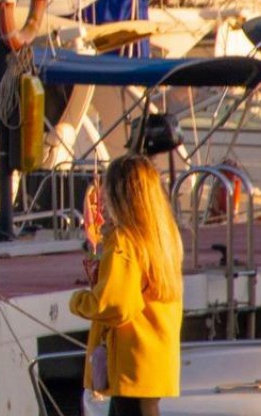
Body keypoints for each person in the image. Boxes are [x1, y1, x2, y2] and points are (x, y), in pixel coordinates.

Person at [72, 155, 183, 416]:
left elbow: (114, 304)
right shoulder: (163, 236)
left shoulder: (125, 240)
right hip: (154, 366)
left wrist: (78, 300)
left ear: (118, 194)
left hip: (130, 365)